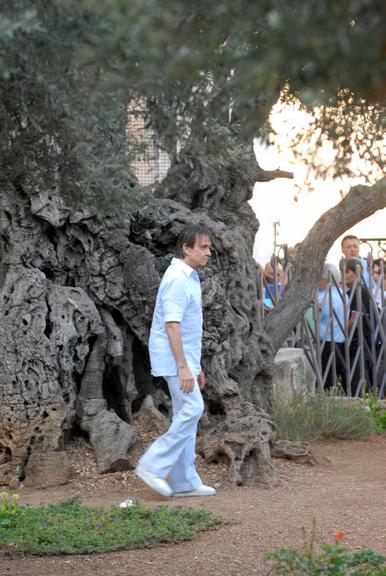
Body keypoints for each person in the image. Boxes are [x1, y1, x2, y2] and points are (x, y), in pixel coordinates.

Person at [122, 224, 216, 501]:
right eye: (204, 247)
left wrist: (194, 367)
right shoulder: (177, 277)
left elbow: (188, 330)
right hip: (175, 359)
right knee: (192, 409)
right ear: (187, 248)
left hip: (184, 359)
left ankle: (183, 481)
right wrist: (183, 367)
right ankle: (152, 466)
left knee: (186, 413)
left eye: (209, 247)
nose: (209, 253)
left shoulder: (190, 277)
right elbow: (172, 326)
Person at [316, 263, 347, 391]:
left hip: (326, 342)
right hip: (341, 341)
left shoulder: (323, 297)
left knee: (326, 378)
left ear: (325, 279)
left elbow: (316, 318)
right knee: (335, 375)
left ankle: (327, 403)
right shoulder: (343, 294)